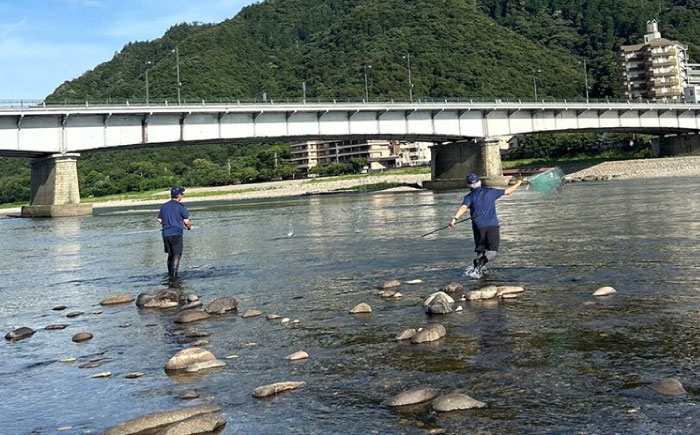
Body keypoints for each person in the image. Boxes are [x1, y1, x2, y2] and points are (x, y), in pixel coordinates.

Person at [449, 173, 522, 279]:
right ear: (479, 182)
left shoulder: (469, 197)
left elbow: (463, 207)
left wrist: (454, 219)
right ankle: (481, 263)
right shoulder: (491, 192)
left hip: (478, 227)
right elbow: (508, 191)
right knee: (493, 251)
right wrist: (518, 183)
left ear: (469, 186)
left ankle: (478, 272)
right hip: (492, 225)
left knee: (480, 250)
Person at [157, 186, 192, 280]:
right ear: (179, 195)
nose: (182, 196)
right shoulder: (181, 206)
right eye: (181, 194)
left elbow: (159, 220)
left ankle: (170, 274)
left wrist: (167, 224)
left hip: (165, 234)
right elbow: (187, 222)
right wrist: (189, 227)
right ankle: (174, 276)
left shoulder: (164, 206)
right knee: (177, 254)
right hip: (176, 234)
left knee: (170, 254)